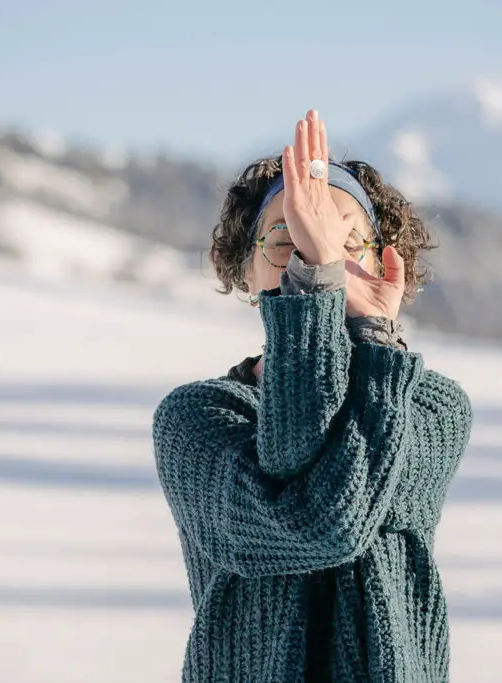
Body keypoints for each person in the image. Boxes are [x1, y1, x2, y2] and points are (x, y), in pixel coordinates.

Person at [152, 109, 473, 682]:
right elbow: (318, 525)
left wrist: (366, 334)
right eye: (286, 239)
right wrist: (318, 288)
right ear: (246, 273)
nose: (311, 255)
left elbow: (339, 516)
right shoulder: (195, 420)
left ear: (385, 265)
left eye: (343, 240)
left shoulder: (433, 409)